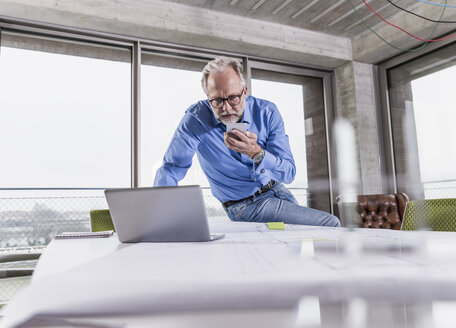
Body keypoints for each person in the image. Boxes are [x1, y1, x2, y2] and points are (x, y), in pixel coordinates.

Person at [154, 56, 340, 227]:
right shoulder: (196, 119)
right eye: (217, 100)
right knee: (330, 224)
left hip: (277, 190)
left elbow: (288, 174)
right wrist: (159, 215)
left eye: (233, 98)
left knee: (298, 245)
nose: (226, 108)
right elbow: (171, 168)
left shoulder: (267, 112)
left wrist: (257, 153)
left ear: (244, 91)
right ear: (208, 98)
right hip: (245, 206)